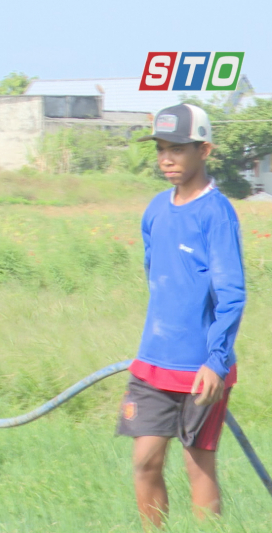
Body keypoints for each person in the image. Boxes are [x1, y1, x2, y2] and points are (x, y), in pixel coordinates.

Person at [117, 103, 246, 528]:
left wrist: (215, 360)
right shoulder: (155, 209)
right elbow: (154, 269)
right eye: (160, 149)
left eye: (178, 149)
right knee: (144, 462)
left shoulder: (216, 212)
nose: (167, 158)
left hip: (200, 369)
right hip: (153, 360)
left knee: (198, 466)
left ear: (204, 150)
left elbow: (231, 294)